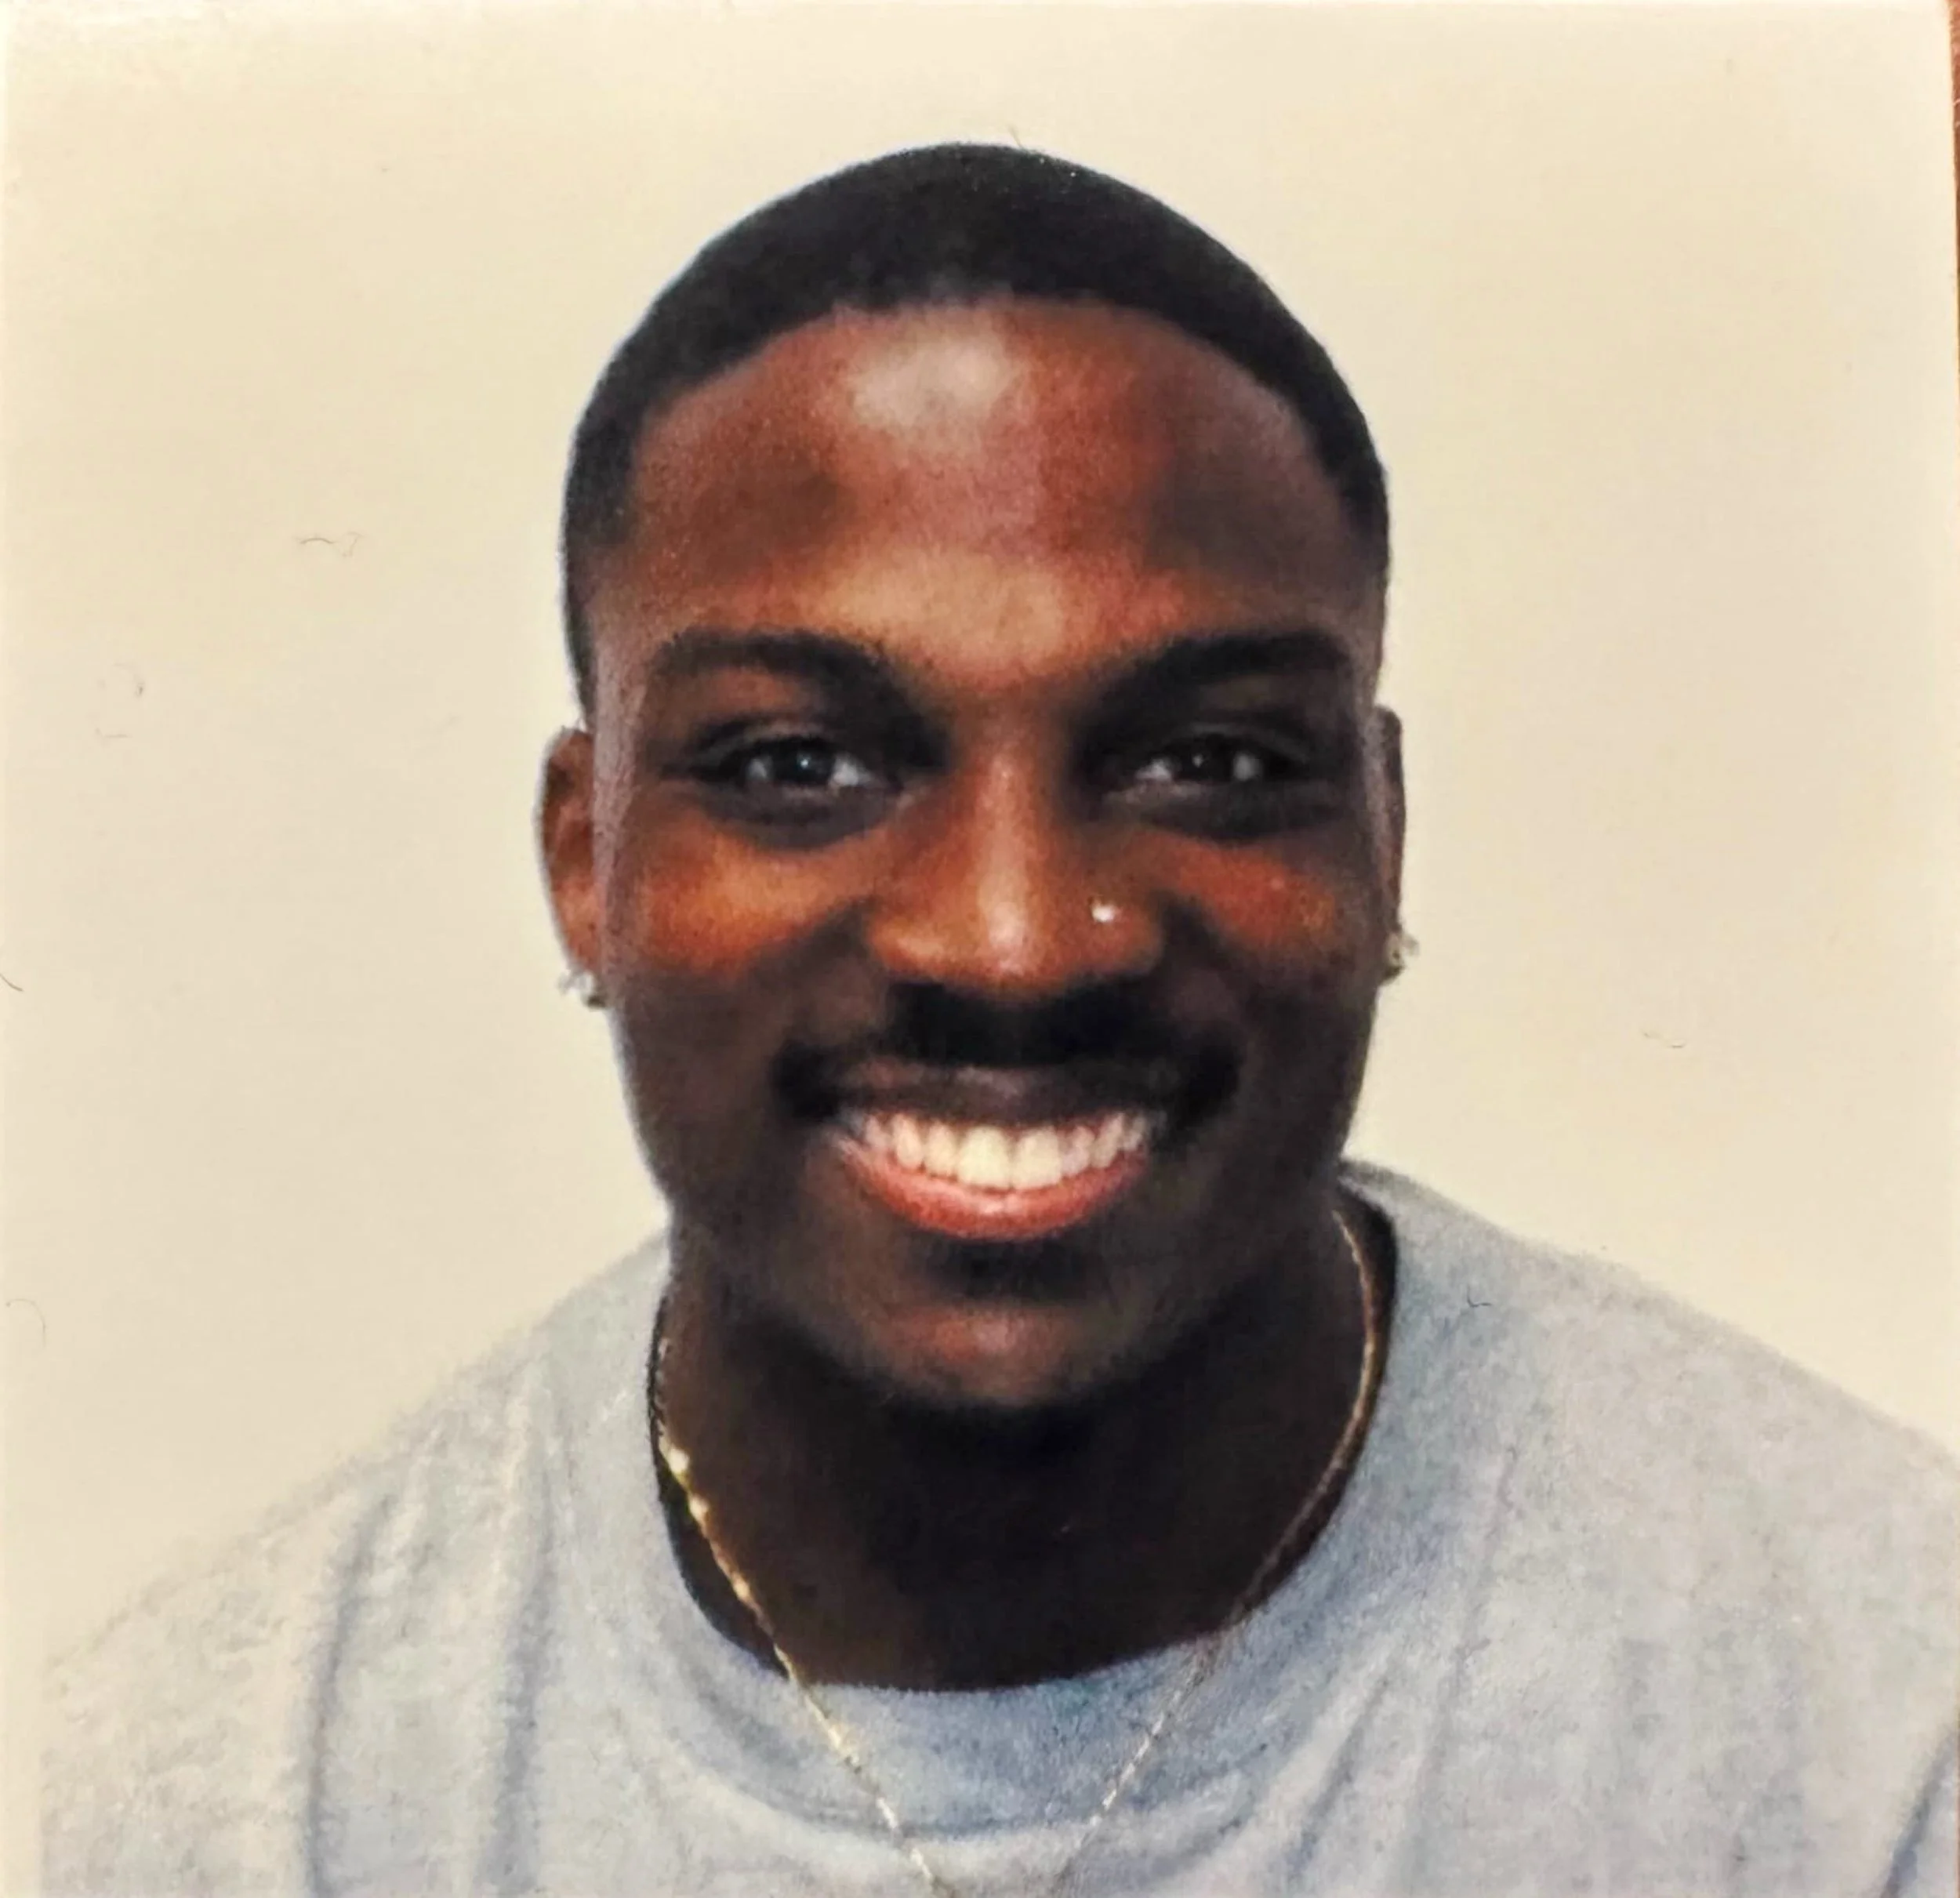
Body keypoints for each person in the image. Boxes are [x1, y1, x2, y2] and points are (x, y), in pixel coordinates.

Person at [44, 143, 1956, 1897]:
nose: (1020, 937)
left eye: (1208, 758)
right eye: (797, 760)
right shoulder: (218, 1811)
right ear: (585, 858)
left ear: (1379, 839)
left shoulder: (1871, 1718)